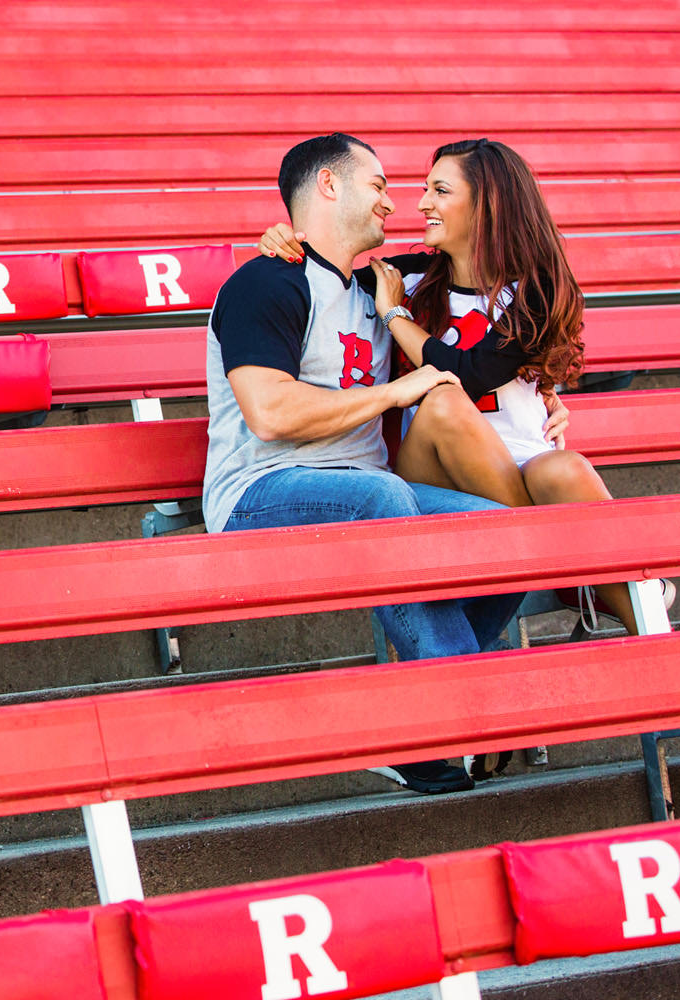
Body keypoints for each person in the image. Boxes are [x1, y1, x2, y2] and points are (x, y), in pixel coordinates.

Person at [203, 132, 524, 795]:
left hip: (368, 491)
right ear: (328, 185)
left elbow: (496, 265)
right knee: (383, 498)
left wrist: (550, 395)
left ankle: (412, 723)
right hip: (259, 492)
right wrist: (396, 391)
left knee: (508, 532)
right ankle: (478, 708)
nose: (392, 202)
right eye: (378, 185)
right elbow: (269, 412)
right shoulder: (266, 281)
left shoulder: (387, 281)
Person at [257, 138, 674, 635]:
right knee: (443, 404)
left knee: (565, 468)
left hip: (524, 466)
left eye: (440, 190)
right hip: (434, 469)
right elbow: (324, 264)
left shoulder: (535, 289)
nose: (421, 203)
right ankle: (572, 571)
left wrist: (396, 318)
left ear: (486, 205)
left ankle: (649, 645)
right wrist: (286, 239)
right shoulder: (403, 279)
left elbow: (474, 369)